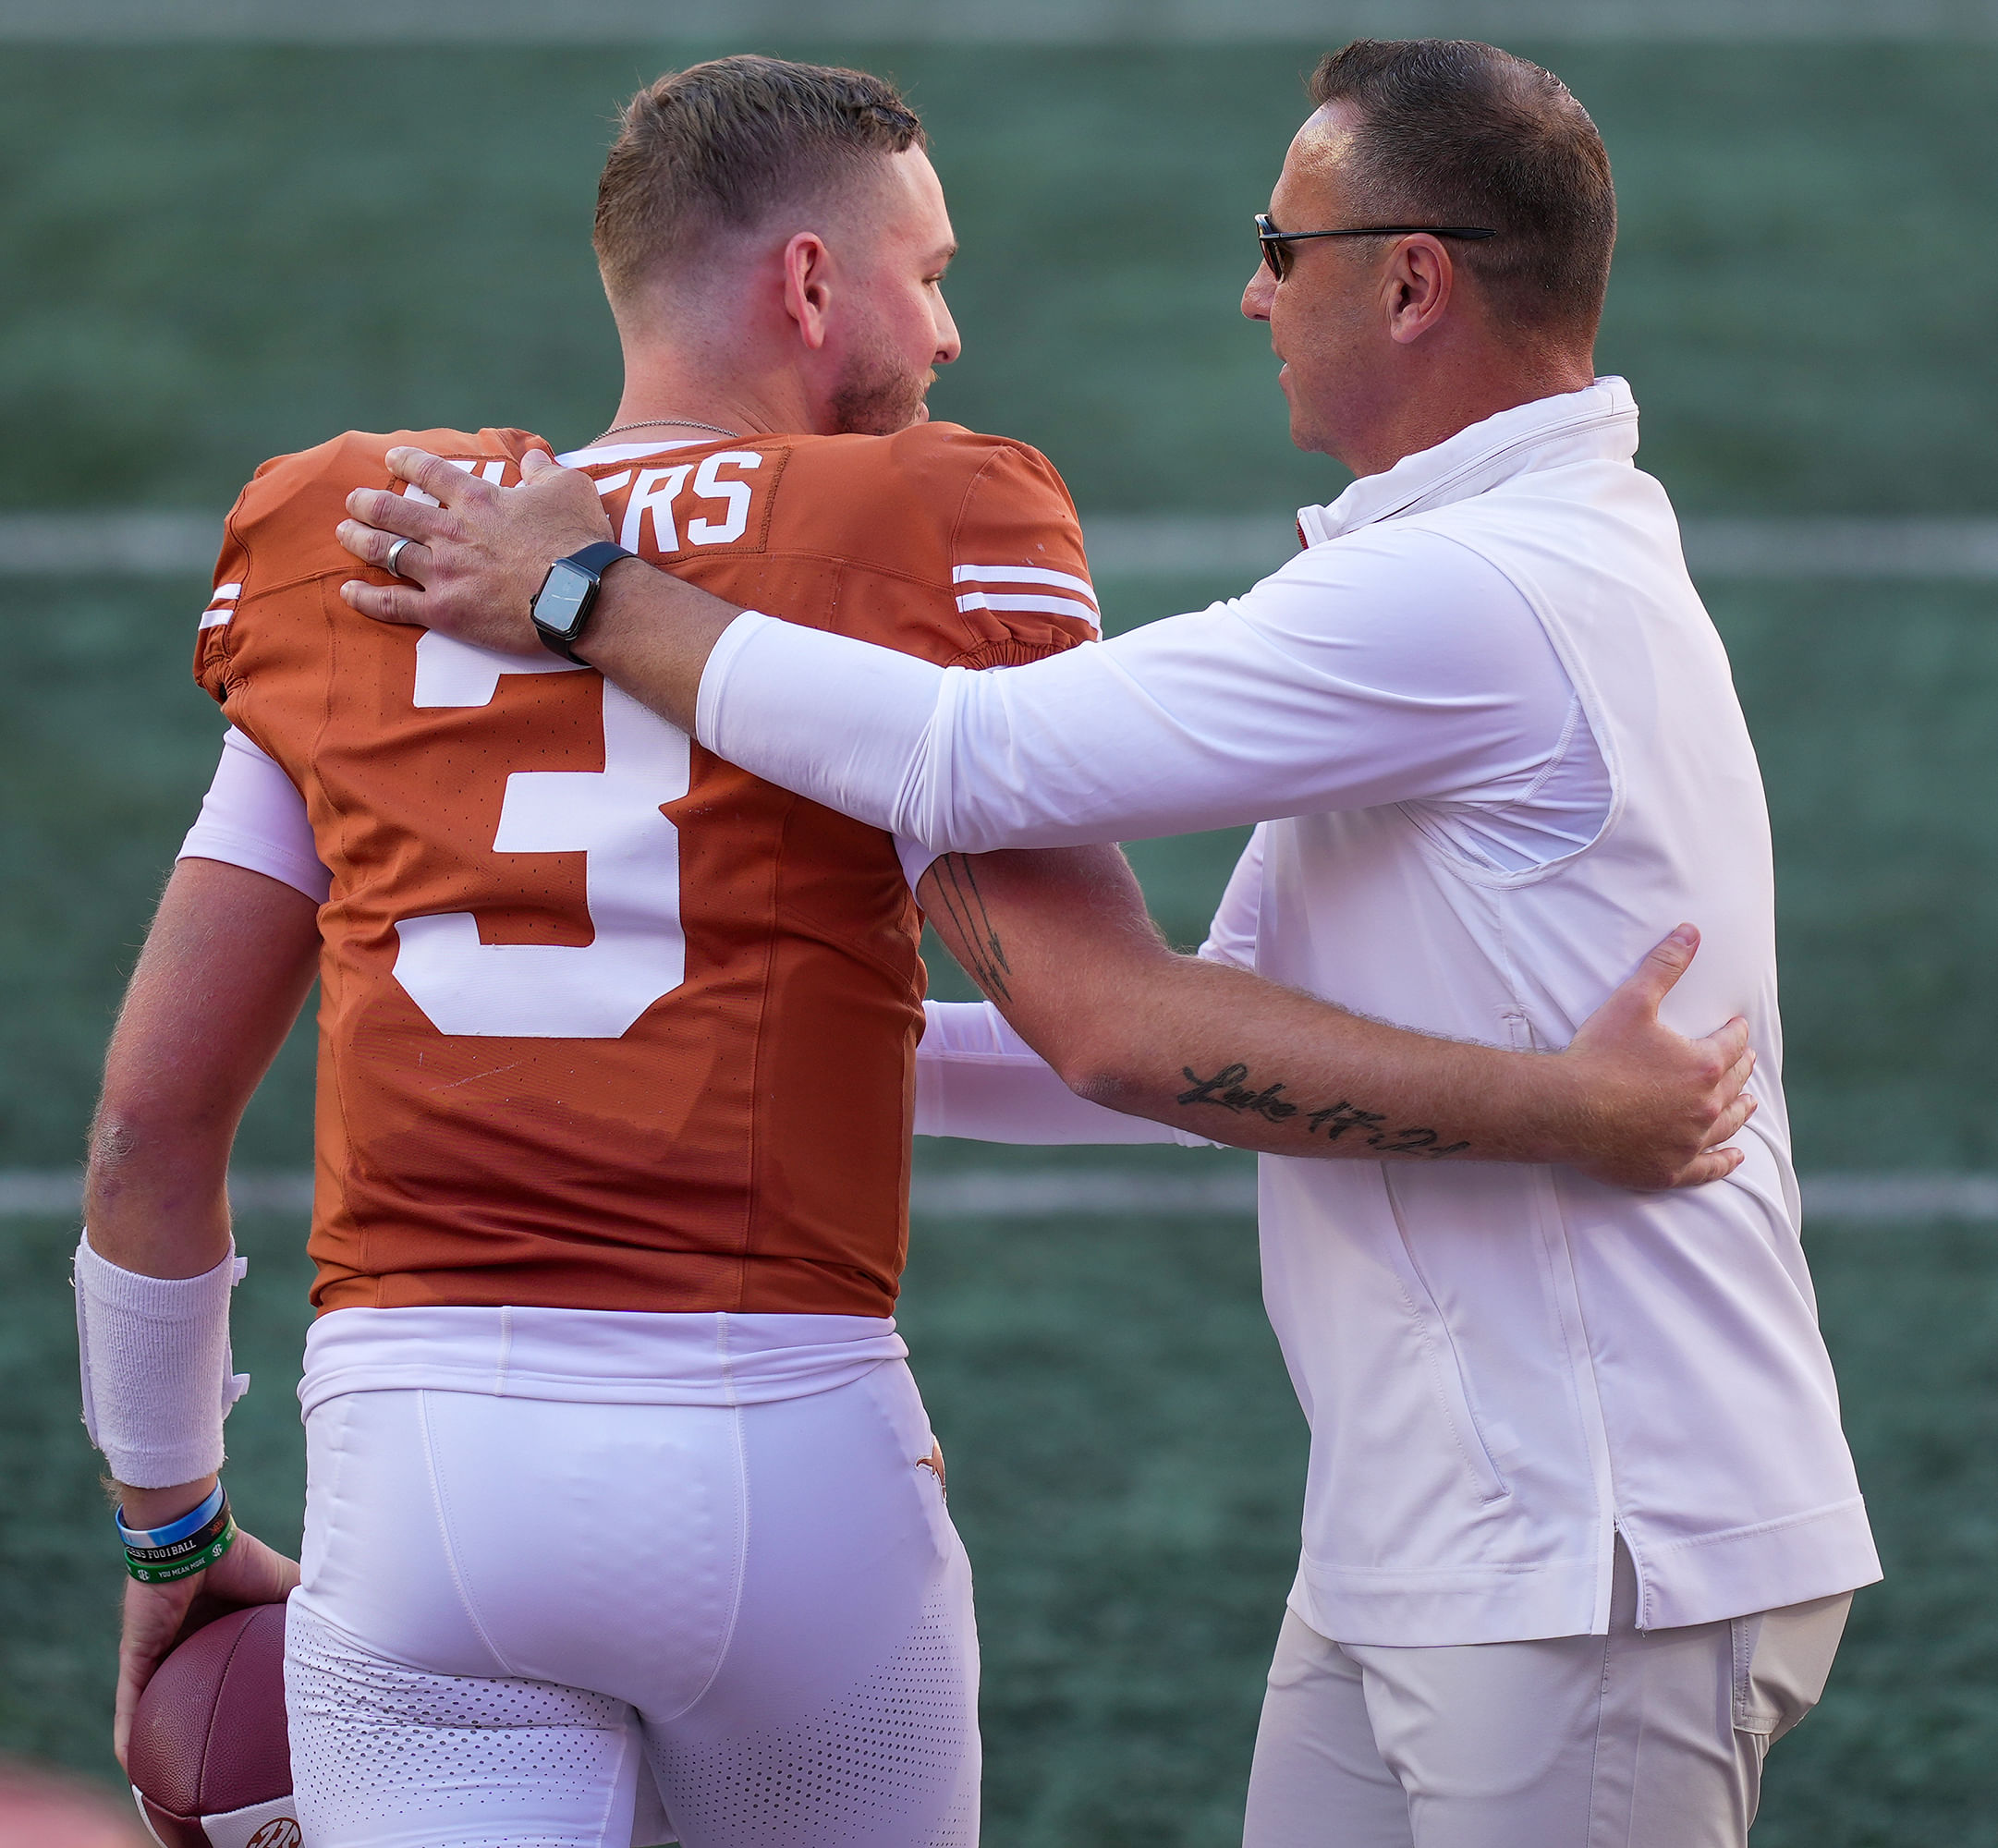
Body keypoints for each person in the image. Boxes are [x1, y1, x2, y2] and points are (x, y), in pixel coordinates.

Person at [340, 37, 1880, 1848]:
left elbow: (964, 756)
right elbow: (1161, 1037)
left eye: (1278, 245)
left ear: (1410, 278)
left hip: (1599, 1536)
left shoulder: (1469, 589)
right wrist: (709, 1032)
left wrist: (587, 589)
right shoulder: (1479, 562)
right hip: (1445, 1529)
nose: (1249, 292)